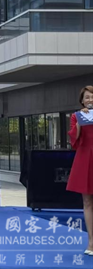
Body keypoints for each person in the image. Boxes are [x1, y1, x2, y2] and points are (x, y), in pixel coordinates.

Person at [67, 85, 93, 256]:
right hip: (85, 158)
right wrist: (80, 122)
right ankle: (91, 242)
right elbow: (74, 139)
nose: (90, 100)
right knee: (87, 201)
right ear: (82, 101)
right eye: (87, 97)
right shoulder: (76, 116)